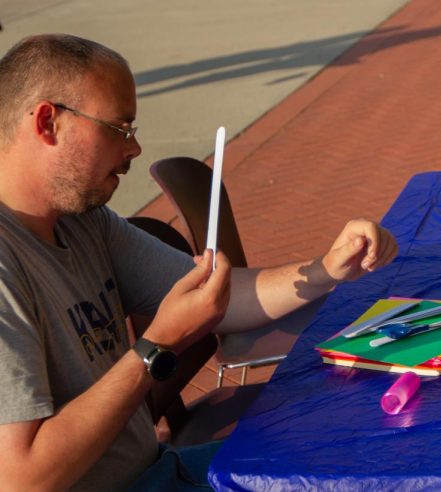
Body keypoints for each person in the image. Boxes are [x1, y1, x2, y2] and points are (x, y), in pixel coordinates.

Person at [0, 34, 397, 491]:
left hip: (163, 469)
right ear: (48, 122)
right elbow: (23, 479)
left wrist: (327, 268)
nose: (134, 149)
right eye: (119, 128)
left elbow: (225, 300)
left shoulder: (83, 221)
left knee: (362, 449)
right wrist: (157, 345)